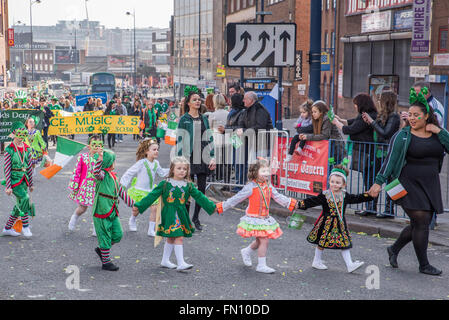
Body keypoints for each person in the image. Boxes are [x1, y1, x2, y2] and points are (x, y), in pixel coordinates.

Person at [368, 88, 449, 276]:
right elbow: (390, 161)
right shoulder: (402, 136)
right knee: (421, 220)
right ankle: (424, 264)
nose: (411, 118)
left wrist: (439, 130)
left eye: (416, 115)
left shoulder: (437, 134)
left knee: (418, 223)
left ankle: (394, 249)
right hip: (407, 183)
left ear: (426, 116)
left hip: (430, 183)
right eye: (410, 115)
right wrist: (379, 182)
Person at [132, 156, 218, 271]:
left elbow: (199, 196)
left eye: (185, 169)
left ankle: (165, 260)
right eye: (179, 168)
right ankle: (181, 262)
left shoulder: (188, 185)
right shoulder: (165, 184)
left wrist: (212, 207)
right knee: (179, 236)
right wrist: (139, 206)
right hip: (169, 214)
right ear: (172, 169)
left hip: (181, 214)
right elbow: (152, 196)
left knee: (171, 238)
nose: (182, 171)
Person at [216, 158, 297, 273]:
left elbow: (278, 197)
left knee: (260, 241)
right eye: (263, 171)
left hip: (265, 218)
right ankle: (261, 265)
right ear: (255, 172)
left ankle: (247, 251)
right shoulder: (251, 187)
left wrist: (291, 203)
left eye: (267, 171)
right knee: (264, 240)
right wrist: (222, 207)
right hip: (254, 219)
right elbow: (236, 198)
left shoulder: (269, 186)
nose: (266, 174)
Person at [296, 163, 373, 272]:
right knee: (321, 242)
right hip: (326, 223)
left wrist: (369, 196)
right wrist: (299, 204)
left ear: (343, 184)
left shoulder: (345, 195)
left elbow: (357, 198)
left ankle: (350, 264)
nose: (334, 184)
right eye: (332, 182)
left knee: (344, 243)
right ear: (329, 182)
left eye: (337, 182)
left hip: (340, 224)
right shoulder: (325, 194)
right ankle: (316, 261)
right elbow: (312, 201)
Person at [177, 87, 216, 231]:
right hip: (188, 157)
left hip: (203, 156)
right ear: (188, 103)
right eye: (194, 99)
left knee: (200, 191)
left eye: (199, 99)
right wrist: (180, 160)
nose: (197, 101)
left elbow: (209, 138)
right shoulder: (184, 119)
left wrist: (212, 157)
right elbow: (179, 140)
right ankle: (185, 219)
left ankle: (196, 217)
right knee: (187, 190)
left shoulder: (204, 118)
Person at [332, 93, 378, 216]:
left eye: (356, 104)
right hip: (365, 151)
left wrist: (337, 122)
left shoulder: (366, 117)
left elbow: (350, 130)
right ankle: (369, 206)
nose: (355, 107)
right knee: (367, 178)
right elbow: (352, 122)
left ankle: (370, 208)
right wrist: (341, 120)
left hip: (367, 152)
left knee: (369, 179)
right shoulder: (364, 115)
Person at [92, 150, 135, 271]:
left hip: (112, 209)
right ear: (108, 162)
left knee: (118, 234)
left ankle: (102, 250)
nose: (115, 162)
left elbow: (121, 191)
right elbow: (95, 172)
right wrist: (100, 159)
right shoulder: (102, 175)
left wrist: (134, 205)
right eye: (113, 160)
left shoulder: (113, 176)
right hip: (102, 209)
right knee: (105, 235)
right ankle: (106, 262)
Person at [361, 91, 401, 219]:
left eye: (380, 99)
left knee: (389, 181)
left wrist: (372, 122)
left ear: (386, 101)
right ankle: (371, 207)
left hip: (388, 152)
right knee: (372, 178)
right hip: (377, 152)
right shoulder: (382, 115)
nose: (378, 101)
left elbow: (385, 133)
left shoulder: (394, 116)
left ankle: (389, 211)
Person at [120, 139, 169, 236]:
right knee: (136, 209)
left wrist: (171, 170)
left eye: (157, 149)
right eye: (154, 149)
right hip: (139, 190)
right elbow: (130, 172)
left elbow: (162, 172)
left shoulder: (156, 163)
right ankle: (132, 219)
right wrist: (122, 184)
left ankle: (151, 230)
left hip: (151, 191)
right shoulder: (141, 162)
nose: (156, 151)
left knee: (154, 208)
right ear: (147, 151)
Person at [2, 122, 34, 238]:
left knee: (20, 203)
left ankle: (7, 228)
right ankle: (25, 227)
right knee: (24, 199)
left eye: (23, 133)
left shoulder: (26, 148)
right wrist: (8, 186)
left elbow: (29, 166)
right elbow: (6, 168)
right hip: (14, 180)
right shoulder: (9, 149)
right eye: (19, 133)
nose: (21, 136)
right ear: (14, 133)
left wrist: (31, 183)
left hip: (24, 180)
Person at [68, 135, 104, 234]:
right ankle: (74, 217)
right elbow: (77, 172)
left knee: (97, 208)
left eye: (99, 145)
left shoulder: (103, 157)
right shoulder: (83, 157)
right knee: (83, 208)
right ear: (89, 146)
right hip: (86, 187)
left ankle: (95, 228)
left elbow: (107, 171)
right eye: (94, 145)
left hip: (98, 186)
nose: (97, 147)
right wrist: (75, 185)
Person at [209, 93, 230, 184]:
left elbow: (210, 128)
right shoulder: (228, 114)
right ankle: (227, 181)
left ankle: (217, 178)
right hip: (227, 139)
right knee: (227, 162)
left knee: (216, 160)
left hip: (217, 139)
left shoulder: (212, 115)